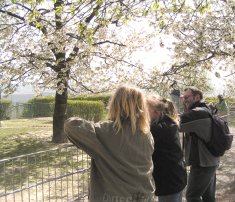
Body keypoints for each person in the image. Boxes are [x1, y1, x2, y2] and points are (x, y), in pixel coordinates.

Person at [64, 85, 155, 202]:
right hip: (143, 195)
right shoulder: (146, 134)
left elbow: (70, 125)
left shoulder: (105, 132)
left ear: (115, 105)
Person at [180, 86, 220, 202]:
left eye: (187, 97)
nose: (184, 100)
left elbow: (176, 123)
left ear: (197, 97)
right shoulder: (205, 109)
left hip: (202, 163)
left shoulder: (197, 113)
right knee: (208, 197)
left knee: (192, 196)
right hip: (210, 160)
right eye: (183, 97)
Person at [147, 96, 187, 202]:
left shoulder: (161, 128)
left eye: (147, 109)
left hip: (169, 181)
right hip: (174, 178)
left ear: (156, 112)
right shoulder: (169, 123)